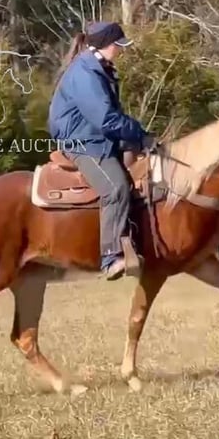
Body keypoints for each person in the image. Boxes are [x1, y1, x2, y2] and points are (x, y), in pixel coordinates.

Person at [47, 21, 152, 280]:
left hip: (98, 137)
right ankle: (110, 257)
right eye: (119, 45)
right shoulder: (85, 74)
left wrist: (136, 139)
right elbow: (105, 118)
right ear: (106, 45)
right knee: (115, 187)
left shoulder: (99, 68)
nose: (121, 50)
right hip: (82, 142)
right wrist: (139, 133)